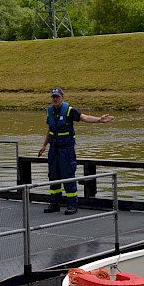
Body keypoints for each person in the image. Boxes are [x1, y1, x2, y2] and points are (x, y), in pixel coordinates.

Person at [37, 87, 114, 215]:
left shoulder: (69, 111)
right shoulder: (49, 111)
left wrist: (99, 120)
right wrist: (44, 145)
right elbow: (50, 129)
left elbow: (84, 117)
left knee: (68, 176)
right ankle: (55, 203)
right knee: (53, 176)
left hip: (66, 149)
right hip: (53, 149)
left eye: (57, 97)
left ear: (63, 98)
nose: (55, 99)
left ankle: (72, 205)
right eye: (53, 97)